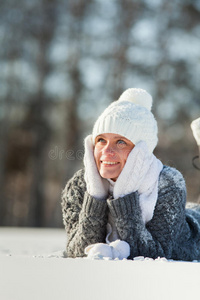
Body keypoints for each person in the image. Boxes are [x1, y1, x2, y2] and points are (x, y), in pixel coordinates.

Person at [61, 88, 200, 261]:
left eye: (120, 142)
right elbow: (78, 252)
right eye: (101, 140)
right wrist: (95, 196)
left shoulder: (169, 181)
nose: (107, 150)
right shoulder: (79, 186)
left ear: (141, 151)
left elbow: (155, 255)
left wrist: (124, 194)